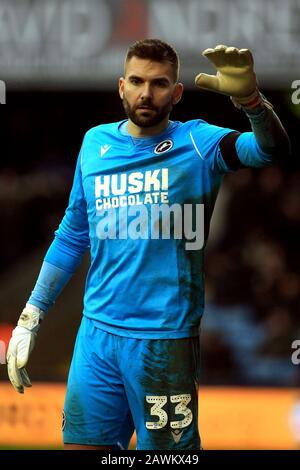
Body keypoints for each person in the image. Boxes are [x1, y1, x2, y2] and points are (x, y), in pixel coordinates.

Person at [6, 39, 290, 450]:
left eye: (159, 84)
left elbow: (271, 151)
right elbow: (71, 234)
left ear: (176, 93)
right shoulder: (94, 144)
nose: (146, 92)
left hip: (165, 341)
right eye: (137, 81)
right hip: (96, 335)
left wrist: (251, 101)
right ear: (121, 86)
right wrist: (31, 315)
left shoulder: (199, 143)